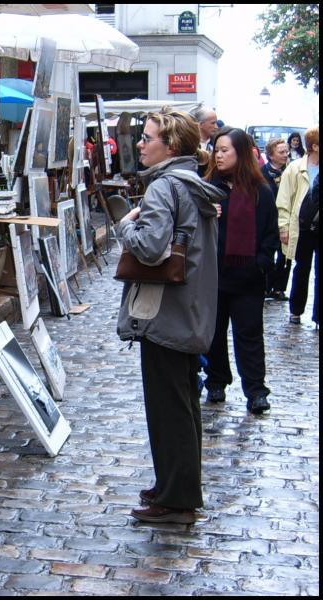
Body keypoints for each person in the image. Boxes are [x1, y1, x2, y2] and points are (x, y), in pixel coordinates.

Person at [116, 107, 226, 524]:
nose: (141, 144)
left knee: (168, 409)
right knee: (181, 405)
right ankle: (174, 485)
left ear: (172, 145)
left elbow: (149, 248)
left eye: (148, 138)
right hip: (188, 311)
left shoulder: (165, 188)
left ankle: (176, 499)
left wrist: (125, 224)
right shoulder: (192, 185)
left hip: (164, 313)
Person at [203, 128, 279, 415]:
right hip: (215, 275)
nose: (219, 155)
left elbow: (269, 233)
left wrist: (261, 262)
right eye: (216, 150)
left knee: (249, 336)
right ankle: (216, 381)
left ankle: (256, 391)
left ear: (241, 153)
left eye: (225, 150)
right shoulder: (209, 188)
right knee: (213, 334)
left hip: (248, 278)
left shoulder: (260, 190)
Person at [277, 127, 319, 327]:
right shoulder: (295, 168)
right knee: (301, 269)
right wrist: (284, 227)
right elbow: (284, 200)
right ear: (314, 146)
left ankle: (318, 315)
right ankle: (296, 310)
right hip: (301, 227)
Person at [261, 138, 291, 300]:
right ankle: (266, 286)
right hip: (268, 220)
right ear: (271, 155)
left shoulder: (291, 172)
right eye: (281, 152)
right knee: (268, 252)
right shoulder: (261, 173)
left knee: (285, 255)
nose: (285, 155)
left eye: (287, 152)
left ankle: (279, 288)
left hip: (286, 219)